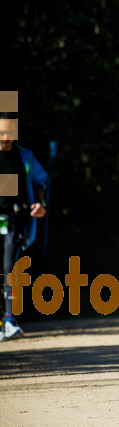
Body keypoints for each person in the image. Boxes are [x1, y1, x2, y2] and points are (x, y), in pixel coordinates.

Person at [0, 112, 47, 341]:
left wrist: (40, 204)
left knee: (9, 268)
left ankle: (9, 320)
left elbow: (40, 182)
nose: (4, 137)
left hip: (14, 222)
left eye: (8, 132)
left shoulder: (24, 157)